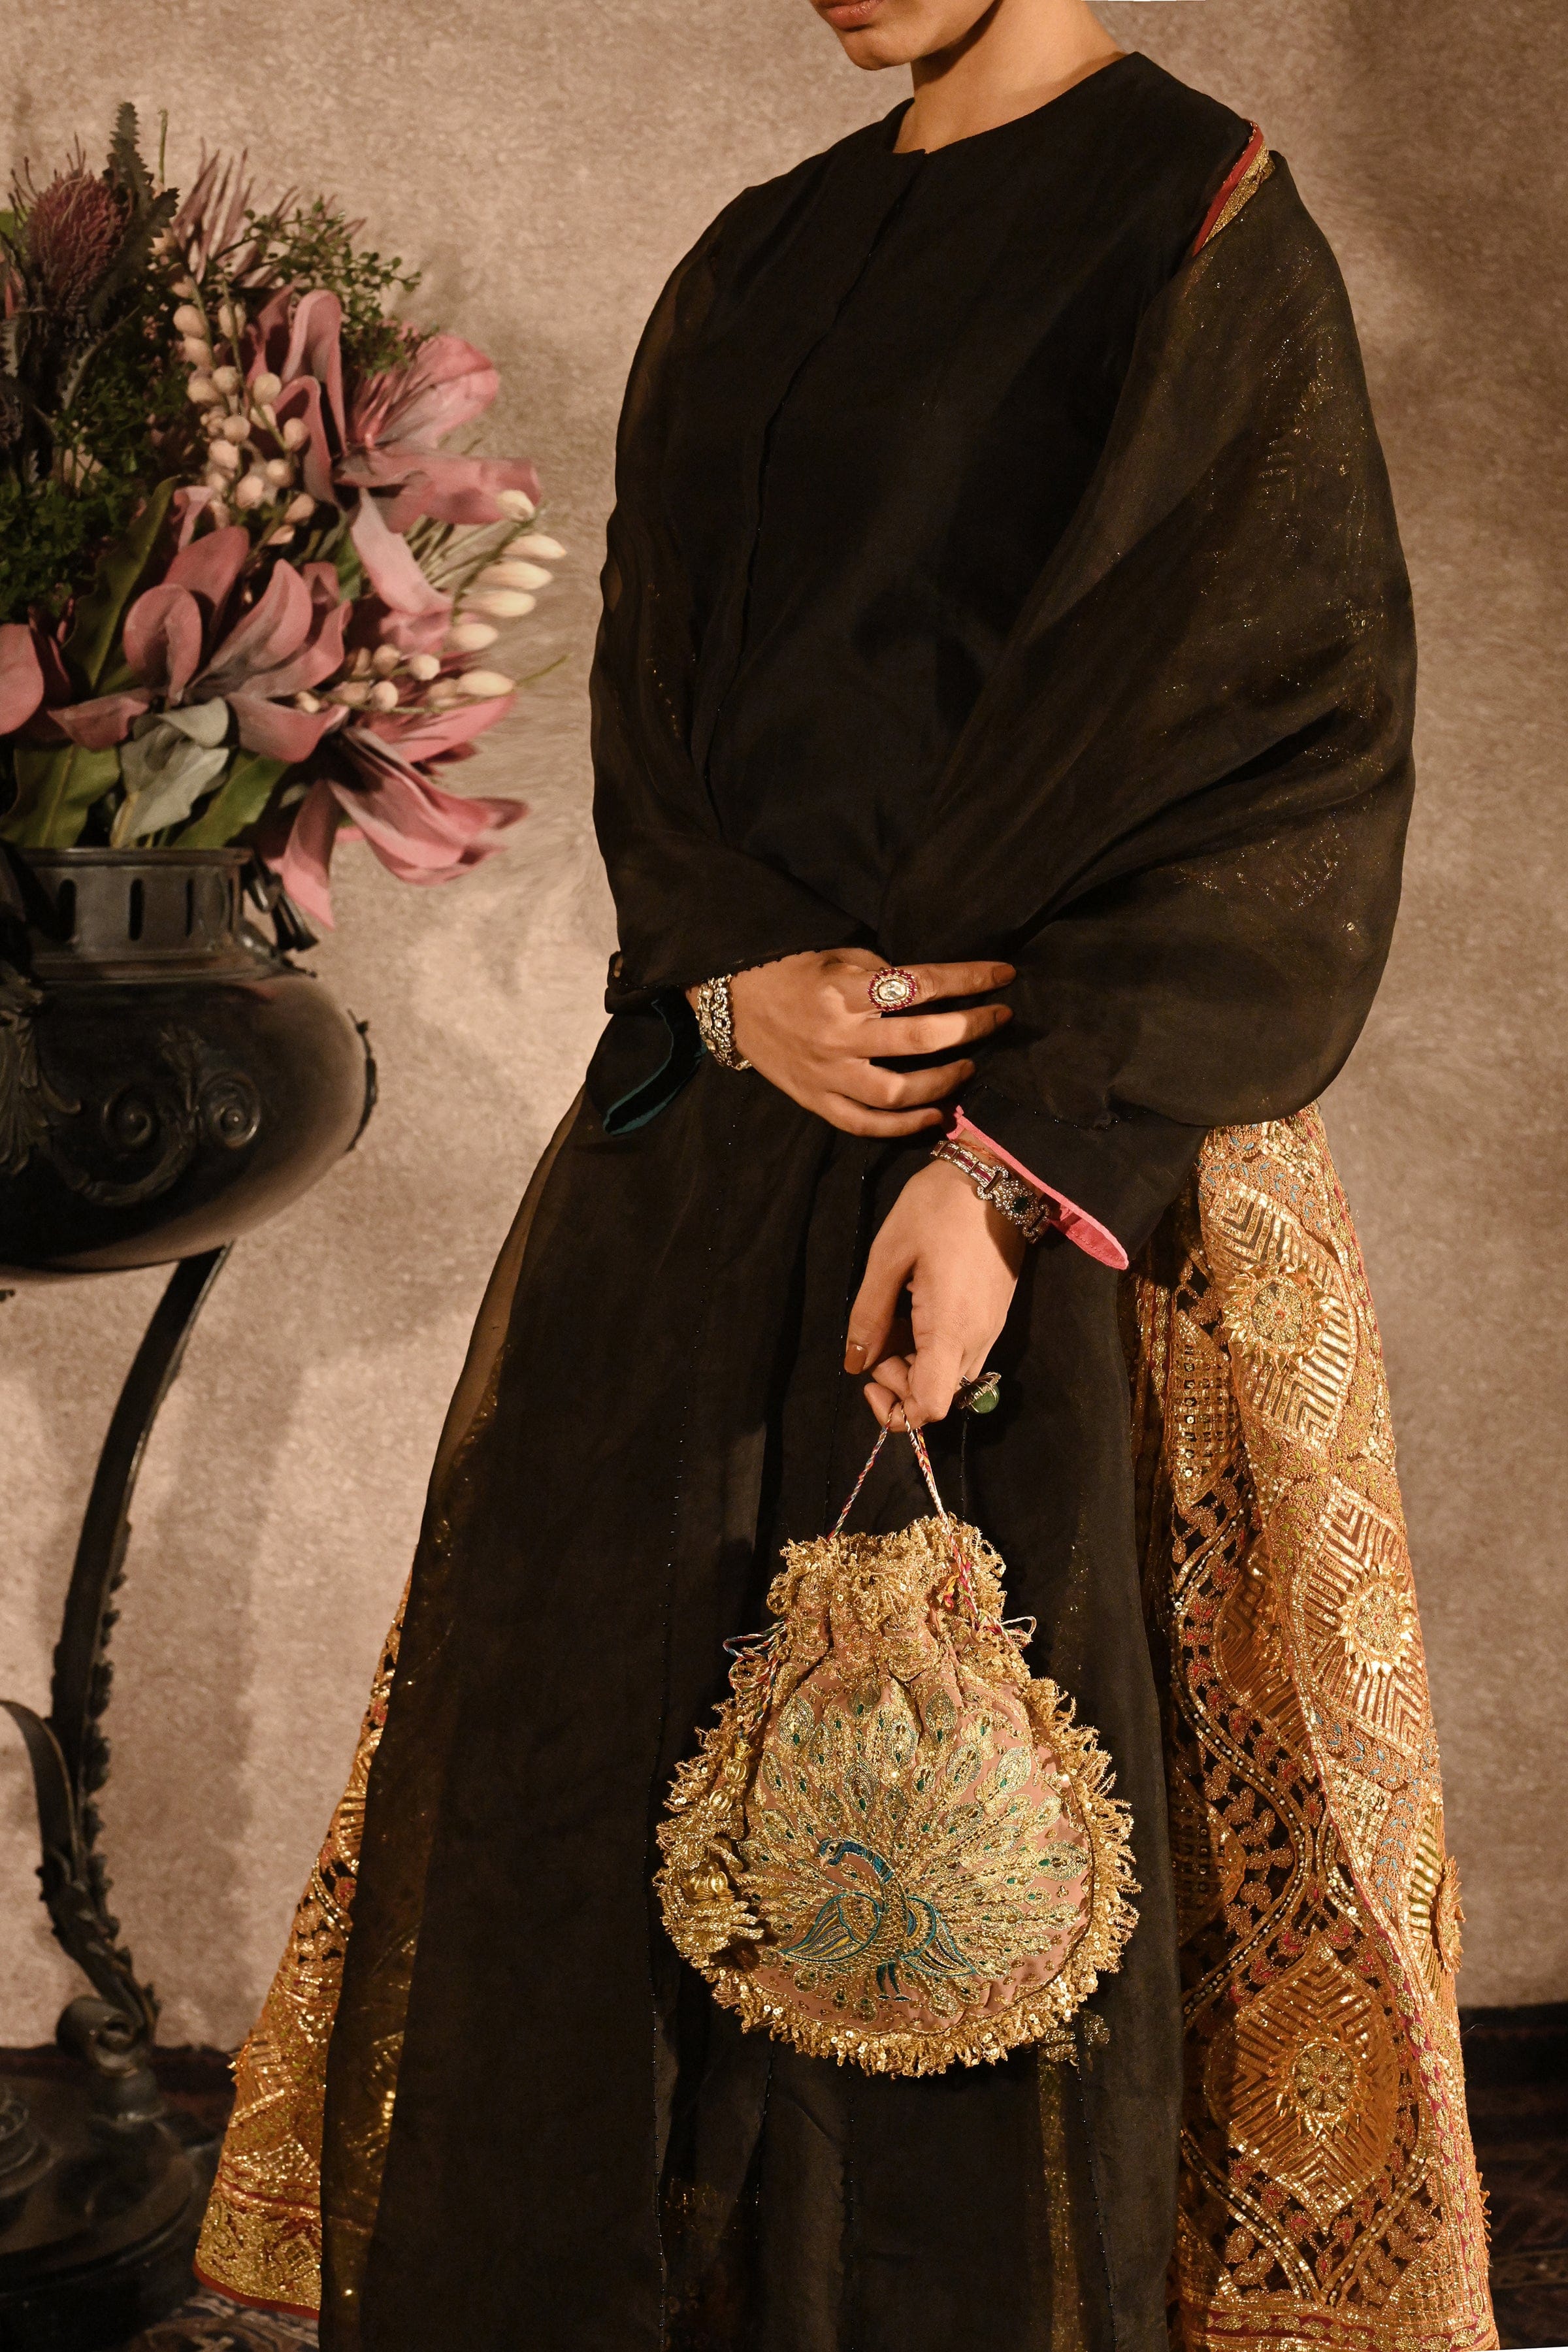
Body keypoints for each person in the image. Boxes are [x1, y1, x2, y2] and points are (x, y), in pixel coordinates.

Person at [197, 2, 1498, 2347]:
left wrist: (1003, 1170)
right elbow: (658, 702)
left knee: (957, 1871)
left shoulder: (1200, 223)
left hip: (1052, 1171)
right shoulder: (762, 249)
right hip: (707, 1165)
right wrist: (733, 983)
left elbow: (1290, 750)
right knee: (605, 1826)